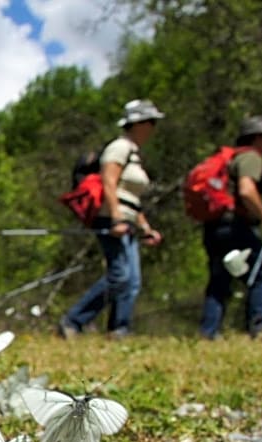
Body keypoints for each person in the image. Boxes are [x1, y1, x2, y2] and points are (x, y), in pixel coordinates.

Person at [59, 99, 164, 339]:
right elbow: (109, 182)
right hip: (111, 218)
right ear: (137, 124)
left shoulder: (135, 153)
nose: (153, 127)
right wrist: (116, 218)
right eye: (150, 122)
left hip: (126, 220)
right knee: (119, 275)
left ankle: (120, 329)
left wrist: (145, 227)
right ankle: (73, 321)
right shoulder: (119, 148)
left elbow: (131, 198)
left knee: (132, 280)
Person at [199, 116, 262, 340]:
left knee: (220, 279)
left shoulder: (230, 159)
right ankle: (258, 327)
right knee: (260, 274)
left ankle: (209, 331)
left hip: (215, 226)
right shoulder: (250, 157)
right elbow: (246, 190)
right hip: (236, 226)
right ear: (256, 138)